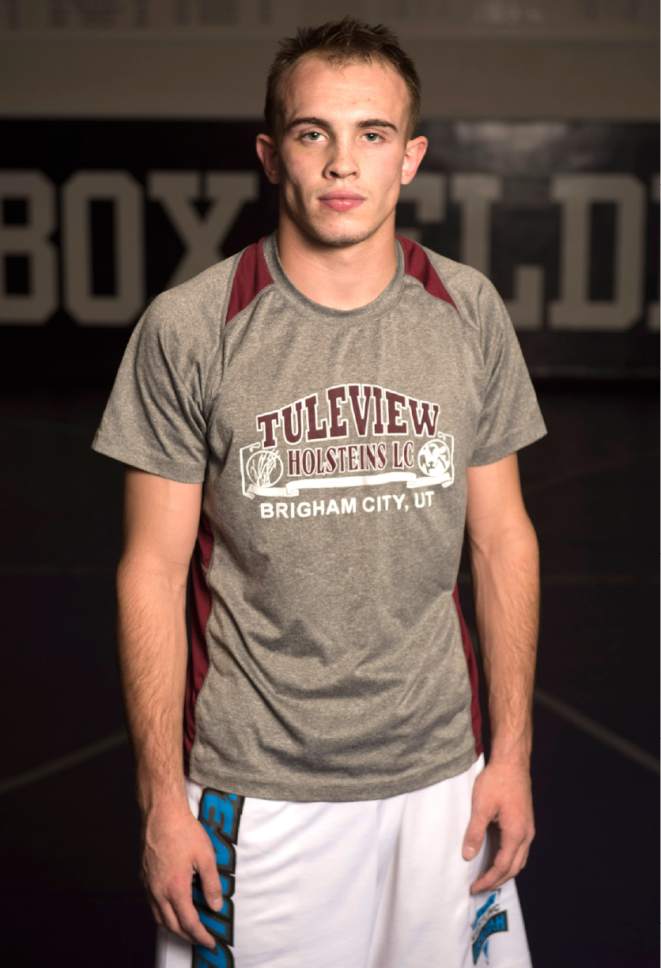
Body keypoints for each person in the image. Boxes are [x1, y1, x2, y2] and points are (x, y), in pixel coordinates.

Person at [91, 16, 547, 968]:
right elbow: (151, 572)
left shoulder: (467, 311)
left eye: (371, 134)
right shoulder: (190, 328)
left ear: (410, 157)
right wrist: (161, 803)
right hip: (256, 796)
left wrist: (509, 757)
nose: (343, 164)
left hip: (440, 788)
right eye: (313, 133)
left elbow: (503, 539)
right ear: (271, 154)